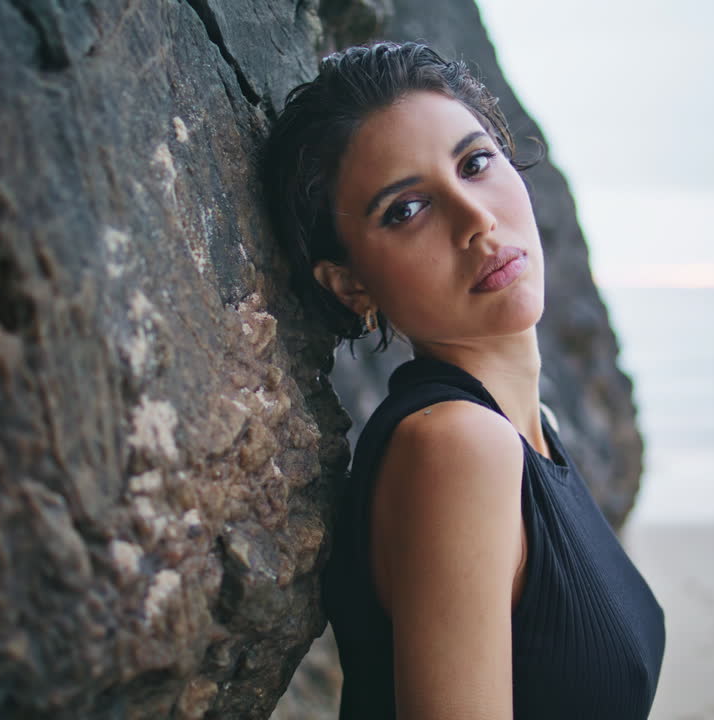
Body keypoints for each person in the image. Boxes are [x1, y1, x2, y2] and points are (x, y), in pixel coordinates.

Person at [262, 41, 665, 719]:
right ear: (352, 282)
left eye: (475, 163)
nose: (475, 220)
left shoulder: (528, 434)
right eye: (405, 210)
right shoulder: (457, 447)